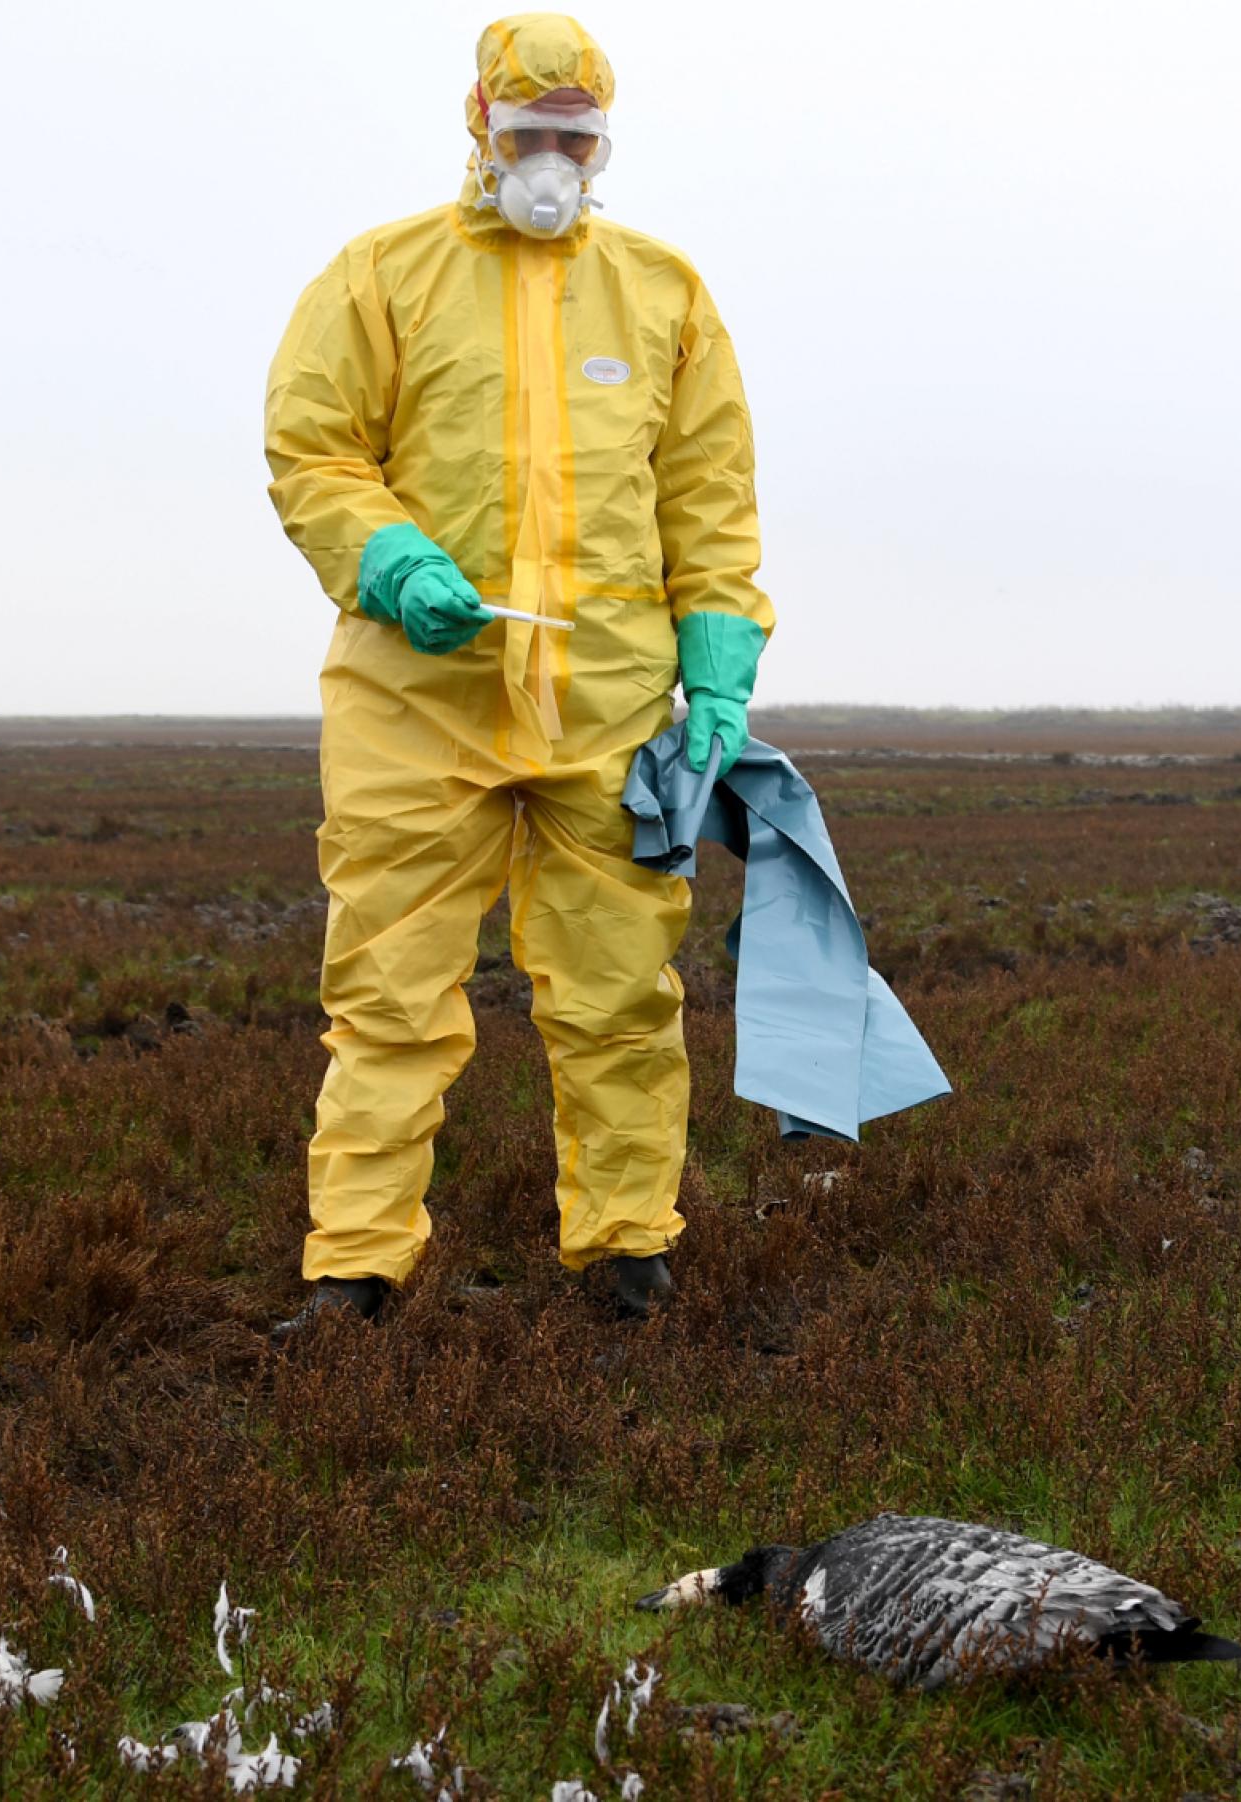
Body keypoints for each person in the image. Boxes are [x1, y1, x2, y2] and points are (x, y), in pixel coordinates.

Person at [261, 13, 771, 1335]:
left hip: (608, 710)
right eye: (529, 130)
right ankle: (354, 1273)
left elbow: (710, 502)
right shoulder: (383, 277)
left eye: (575, 137)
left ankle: (626, 1256)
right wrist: (388, 558)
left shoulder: (662, 295)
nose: (551, 156)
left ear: (604, 144)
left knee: (618, 994)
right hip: (413, 707)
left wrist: (718, 669)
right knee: (388, 997)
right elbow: (311, 448)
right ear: (477, 121)